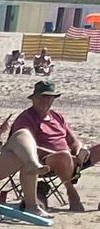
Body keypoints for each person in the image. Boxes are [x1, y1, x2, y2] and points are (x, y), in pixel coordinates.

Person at [10, 81, 99, 212]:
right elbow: (25, 147)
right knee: (63, 156)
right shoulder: (26, 118)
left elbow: (73, 140)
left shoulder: (57, 116)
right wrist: (62, 154)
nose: (45, 101)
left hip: (70, 159)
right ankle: (71, 192)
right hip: (42, 163)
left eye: (49, 97)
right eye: (42, 97)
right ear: (33, 98)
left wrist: (80, 150)